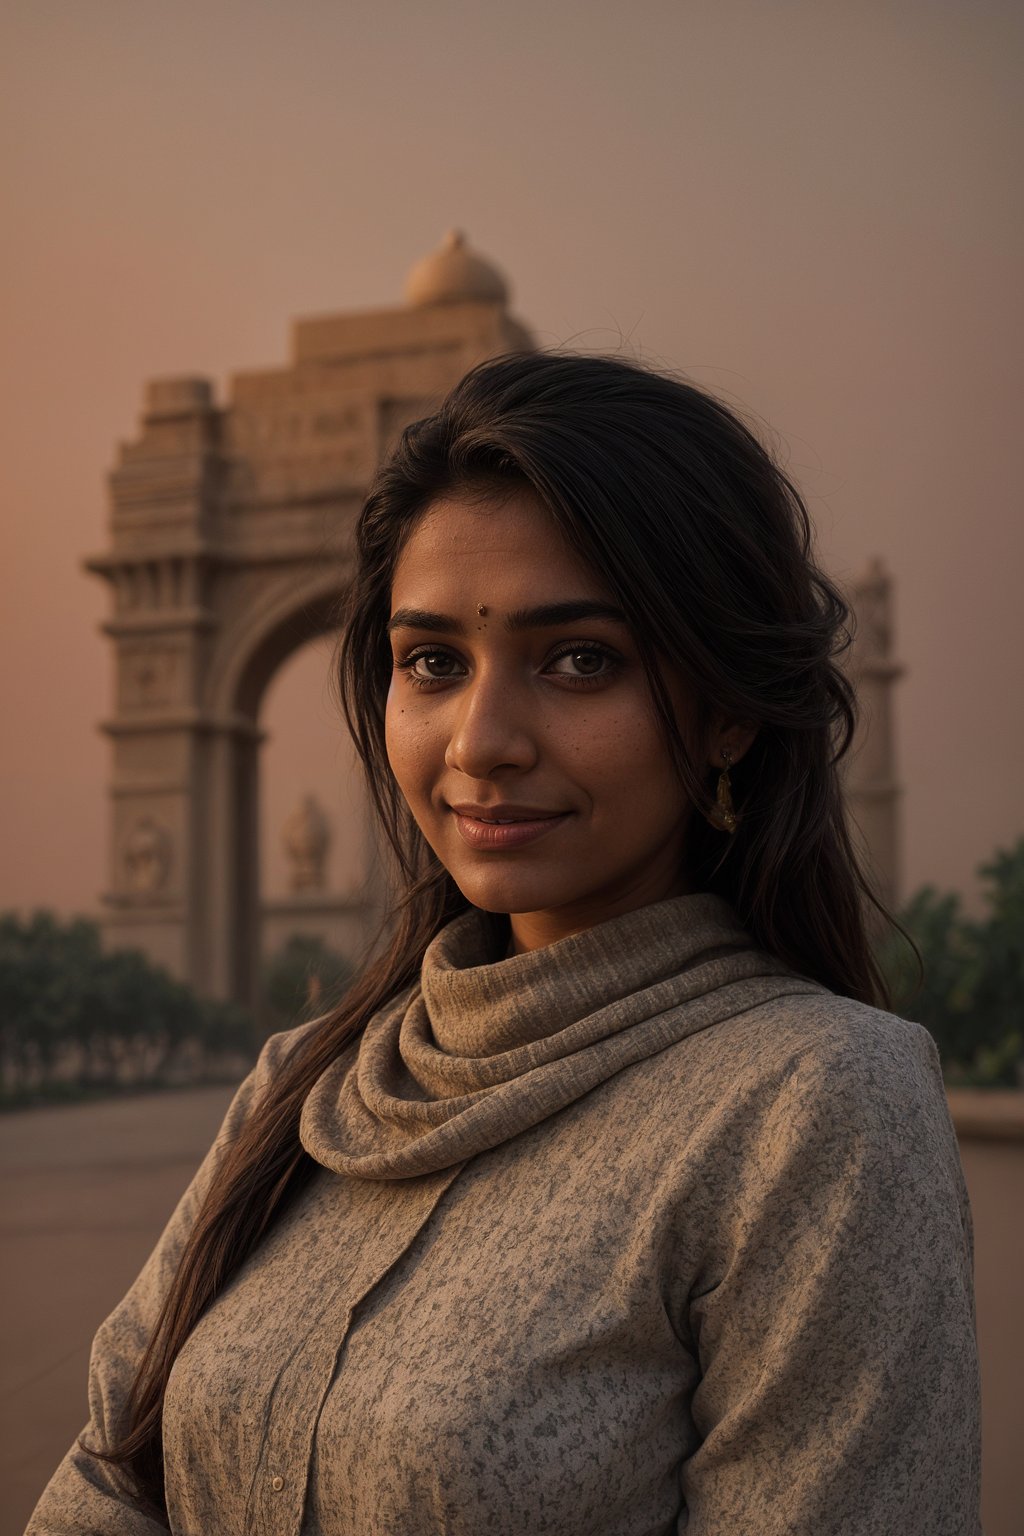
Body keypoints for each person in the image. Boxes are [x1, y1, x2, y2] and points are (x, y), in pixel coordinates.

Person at [27, 352, 981, 1535]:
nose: (481, 741)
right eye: (432, 661)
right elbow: (110, 1476)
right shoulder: (299, 1087)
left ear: (730, 706)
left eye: (579, 659)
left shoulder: (818, 1106)